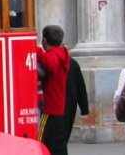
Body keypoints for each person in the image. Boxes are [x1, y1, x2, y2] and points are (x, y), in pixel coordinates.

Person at [36, 25, 71, 155]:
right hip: (59, 108)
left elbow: (50, 64)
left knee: (41, 141)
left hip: (50, 109)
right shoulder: (62, 54)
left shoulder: (53, 55)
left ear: (44, 40)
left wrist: (36, 51)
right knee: (57, 144)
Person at [64, 56, 89, 144]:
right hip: (70, 104)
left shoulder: (50, 60)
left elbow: (80, 87)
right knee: (63, 138)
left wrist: (84, 109)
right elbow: (81, 87)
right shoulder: (73, 62)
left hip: (56, 106)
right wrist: (84, 109)